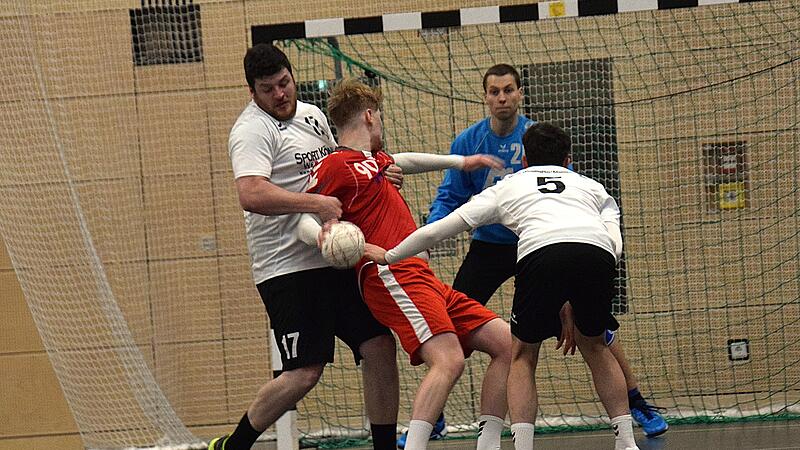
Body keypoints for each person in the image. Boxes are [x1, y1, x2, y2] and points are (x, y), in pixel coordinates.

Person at [417, 63, 666, 445]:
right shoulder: (468, 143)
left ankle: (636, 403)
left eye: (508, 90)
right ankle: (433, 417)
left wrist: (567, 296)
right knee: (450, 322)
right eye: (494, 91)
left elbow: (571, 205)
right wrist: (429, 240)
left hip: (536, 245)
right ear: (485, 97)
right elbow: (450, 198)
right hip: (488, 246)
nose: (502, 97)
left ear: (520, 94)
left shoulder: (538, 140)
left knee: (596, 330)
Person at [365, 122, 641, 450]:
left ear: (524, 160)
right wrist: (578, 288)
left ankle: (522, 445)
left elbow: (441, 228)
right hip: (598, 253)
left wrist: (391, 255)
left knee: (522, 354)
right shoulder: (593, 188)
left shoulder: (511, 185)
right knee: (595, 346)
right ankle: (627, 442)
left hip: (541, 251)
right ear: (569, 161)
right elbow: (615, 243)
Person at [295, 78, 512, 450]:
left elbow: (405, 161)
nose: (380, 124)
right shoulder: (336, 165)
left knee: (507, 344)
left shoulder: (376, 161)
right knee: (448, 361)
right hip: (390, 273)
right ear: (369, 116)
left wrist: (462, 161)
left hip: (421, 276)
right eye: (378, 117)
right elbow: (302, 215)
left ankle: (488, 444)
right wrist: (323, 237)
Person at [209, 44, 400, 450]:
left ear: (293, 77)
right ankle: (233, 444)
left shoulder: (313, 117)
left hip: (334, 257)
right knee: (304, 372)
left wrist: (382, 171)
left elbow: (342, 166)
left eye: (284, 83)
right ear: (252, 92)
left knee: (380, 346)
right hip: (287, 269)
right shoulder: (250, 131)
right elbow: (251, 194)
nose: (280, 94)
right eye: (268, 89)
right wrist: (315, 204)